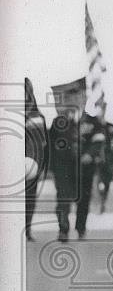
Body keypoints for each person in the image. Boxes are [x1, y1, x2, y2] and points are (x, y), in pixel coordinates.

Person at [48, 78, 105, 241]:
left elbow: (99, 141)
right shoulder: (58, 122)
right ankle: (63, 229)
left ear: (84, 99)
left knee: (83, 199)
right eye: (70, 98)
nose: (74, 101)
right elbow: (51, 146)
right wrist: (52, 167)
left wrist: (90, 154)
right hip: (64, 167)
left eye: (78, 97)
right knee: (63, 198)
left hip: (85, 167)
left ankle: (81, 228)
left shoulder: (93, 121)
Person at [24, 78, 48, 242]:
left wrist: (38, 166)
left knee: (29, 198)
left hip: (30, 163)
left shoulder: (36, 116)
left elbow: (41, 143)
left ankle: (27, 229)